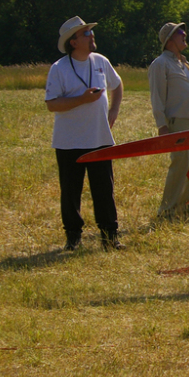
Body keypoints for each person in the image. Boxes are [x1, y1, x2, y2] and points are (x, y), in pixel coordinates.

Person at [44, 16, 124, 251]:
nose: (92, 36)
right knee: (71, 191)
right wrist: (82, 99)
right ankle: (73, 237)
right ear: (73, 42)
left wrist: (114, 109)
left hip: (99, 139)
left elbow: (117, 85)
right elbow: (52, 104)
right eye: (86, 33)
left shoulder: (100, 61)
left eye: (90, 32)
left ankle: (110, 236)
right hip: (69, 141)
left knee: (104, 190)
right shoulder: (59, 69)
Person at [149, 22, 189, 220]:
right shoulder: (160, 64)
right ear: (169, 39)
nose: (185, 34)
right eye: (180, 32)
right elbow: (157, 97)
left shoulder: (184, 63)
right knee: (180, 166)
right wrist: (162, 125)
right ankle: (168, 210)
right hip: (179, 122)